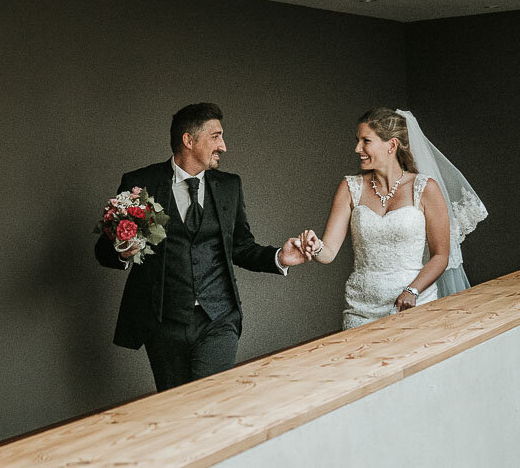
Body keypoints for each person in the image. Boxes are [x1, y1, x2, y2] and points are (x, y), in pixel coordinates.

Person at [95, 103, 313, 391]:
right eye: (215, 136)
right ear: (188, 140)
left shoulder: (229, 186)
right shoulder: (141, 183)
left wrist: (279, 257)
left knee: (211, 398)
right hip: (163, 323)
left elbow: (241, 247)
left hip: (218, 318)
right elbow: (102, 250)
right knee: (176, 407)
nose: (223, 145)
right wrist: (122, 252)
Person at [300, 108, 487, 329]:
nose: (357, 148)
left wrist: (412, 290)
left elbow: (441, 256)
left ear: (392, 145)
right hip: (361, 309)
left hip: (412, 306)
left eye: (366, 141)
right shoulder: (350, 187)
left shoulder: (425, 188)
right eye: (358, 141)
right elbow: (329, 252)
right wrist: (315, 247)